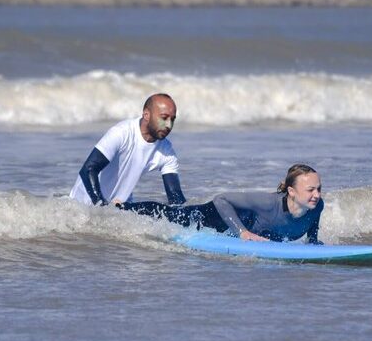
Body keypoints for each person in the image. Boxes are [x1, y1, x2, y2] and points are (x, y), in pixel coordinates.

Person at [119, 164, 324, 244]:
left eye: (318, 188)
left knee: (172, 213)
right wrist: (242, 232)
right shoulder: (268, 203)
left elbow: (311, 235)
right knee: (171, 215)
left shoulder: (317, 207)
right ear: (291, 191)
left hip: (234, 226)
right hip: (214, 217)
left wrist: (315, 243)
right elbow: (221, 199)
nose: (317, 195)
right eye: (310, 190)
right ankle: (122, 208)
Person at [70, 93, 186, 206]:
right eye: (164, 118)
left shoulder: (167, 151)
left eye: (172, 119)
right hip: (82, 208)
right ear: (146, 115)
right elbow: (88, 169)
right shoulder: (121, 133)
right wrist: (102, 207)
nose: (169, 125)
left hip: (119, 209)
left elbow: (176, 199)